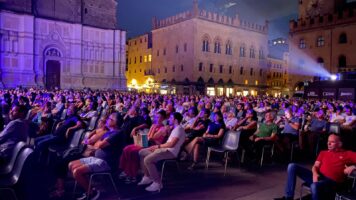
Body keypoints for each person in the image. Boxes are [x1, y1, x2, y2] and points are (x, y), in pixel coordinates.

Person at [274, 134, 356, 200]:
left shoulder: (347, 154)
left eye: (332, 142)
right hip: (319, 177)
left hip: (332, 182)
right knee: (292, 166)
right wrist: (314, 174)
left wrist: (353, 167)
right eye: (328, 141)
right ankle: (289, 197)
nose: (328, 143)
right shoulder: (323, 152)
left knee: (314, 186)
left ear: (339, 144)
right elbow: (315, 166)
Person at [68, 113, 125, 200]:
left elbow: (99, 145)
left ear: (115, 122)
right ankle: (90, 188)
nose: (107, 120)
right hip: (97, 158)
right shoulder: (109, 132)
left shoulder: (117, 133)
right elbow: (97, 144)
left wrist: (98, 145)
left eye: (110, 119)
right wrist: (97, 145)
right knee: (71, 164)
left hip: (106, 162)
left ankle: (91, 193)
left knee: (77, 171)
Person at [138, 112, 186, 192]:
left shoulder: (179, 129)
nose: (169, 119)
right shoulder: (175, 128)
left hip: (170, 152)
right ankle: (147, 177)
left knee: (147, 160)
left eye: (171, 118)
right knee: (142, 152)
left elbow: (171, 144)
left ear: (176, 120)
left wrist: (158, 146)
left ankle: (157, 183)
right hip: (165, 149)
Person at [119, 110, 168, 184]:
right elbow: (148, 137)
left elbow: (156, 140)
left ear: (163, 119)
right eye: (156, 117)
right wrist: (140, 136)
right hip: (146, 143)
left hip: (153, 145)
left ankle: (133, 174)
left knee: (133, 151)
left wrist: (150, 137)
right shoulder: (153, 125)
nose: (156, 118)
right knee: (127, 148)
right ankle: (126, 170)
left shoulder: (163, 128)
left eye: (159, 117)